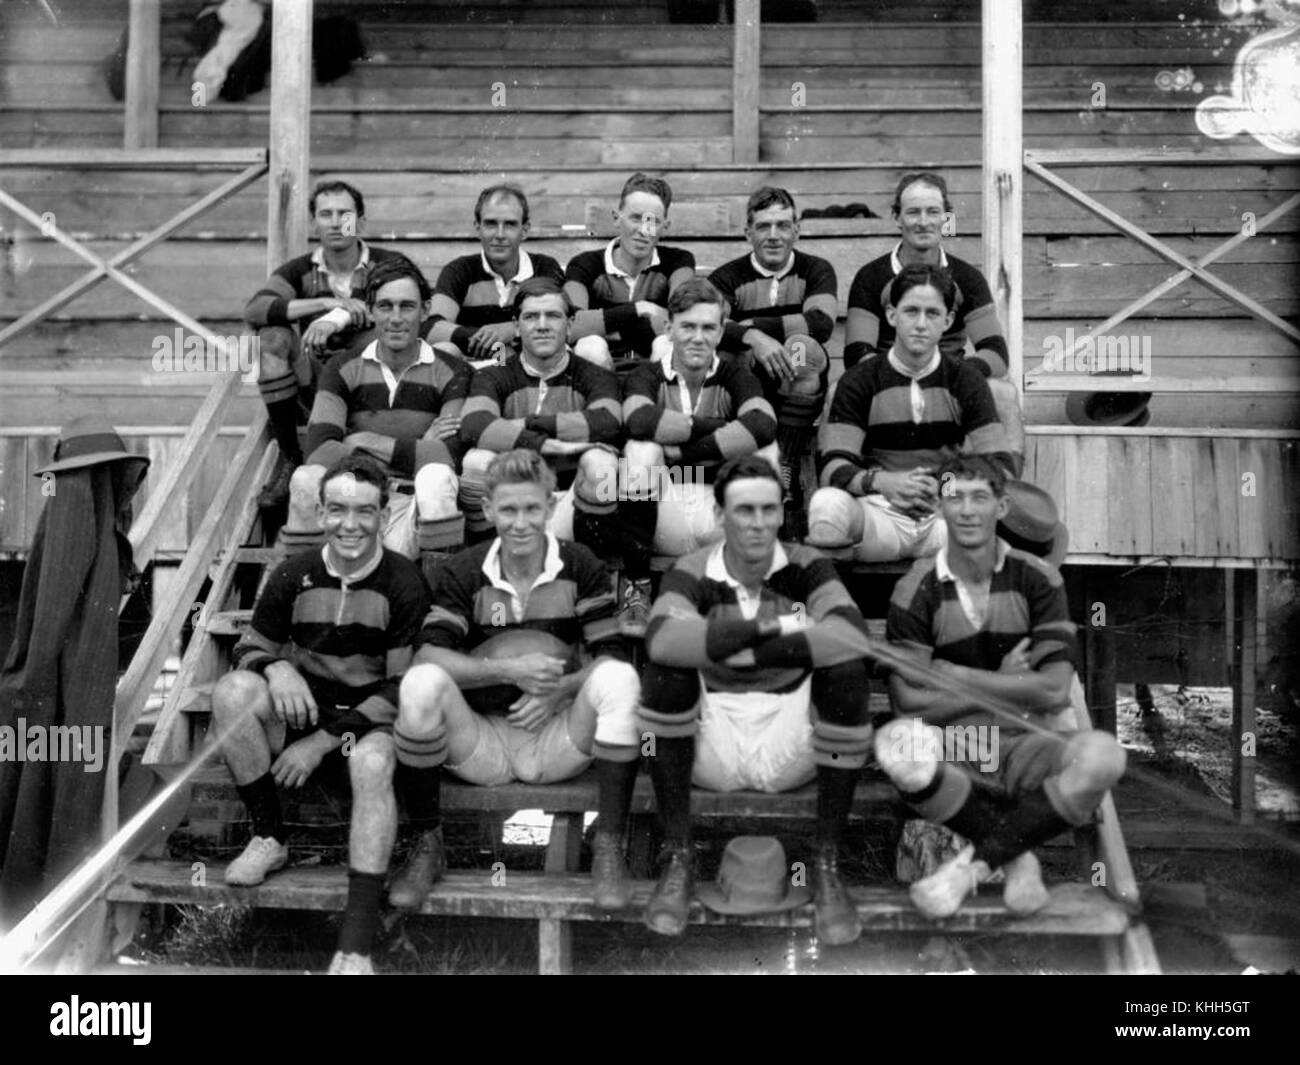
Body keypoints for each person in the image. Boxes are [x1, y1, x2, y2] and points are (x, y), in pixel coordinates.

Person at [636, 454, 885, 945]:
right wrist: (770, 629)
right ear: (720, 514)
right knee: (665, 673)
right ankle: (679, 857)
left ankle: (827, 861)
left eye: (769, 510)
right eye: (744, 510)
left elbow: (852, 636)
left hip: (788, 737)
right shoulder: (692, 568)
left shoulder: (807, 565)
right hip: (712, 742)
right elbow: (663, 641)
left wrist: (731, 643)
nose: (758, 523)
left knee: (847, 673)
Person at [875, 453, 1126, 918]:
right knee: (898, 743)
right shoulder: (917, 586)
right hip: (956, 745)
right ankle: (1017, 855)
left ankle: (981, 863)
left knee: (1105, 755)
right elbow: (906, 701)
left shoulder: (1039, 580)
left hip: (1027, 741)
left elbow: (1053, 691)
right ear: (940, 508)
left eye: (980, 497)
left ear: (1001, 507)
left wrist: (958, 677)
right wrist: (1010, 682)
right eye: (955, 497)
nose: (967, 510)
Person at [211, 454, 431, 975]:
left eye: (364, 512)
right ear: (320, 511)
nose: (349, 524)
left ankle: (355, 946)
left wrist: (323, 742)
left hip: (368, 724)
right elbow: (248, 647)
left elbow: (402, 688)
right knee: (232, 692)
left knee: (373, 763)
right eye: (336, 510)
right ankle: (269, 837)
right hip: (303, 712)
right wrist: (278, 672)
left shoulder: (404, 583)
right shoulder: (293, 573)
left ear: (383, 515)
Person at [395, 449, 642, 911]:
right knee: (420, 683)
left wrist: (562, 691)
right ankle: (427, 843)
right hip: (483, 738)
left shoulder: (579, 563)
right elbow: (427, 654)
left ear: (551, 507)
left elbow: (611, 650)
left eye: (532, 509)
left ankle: (609, 846)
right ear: (487, 510)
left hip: (556, 735)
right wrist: (508, 670)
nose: (521, 523)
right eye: (508, 510)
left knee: (621, 678)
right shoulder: (465, 569)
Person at [806, 263, 1015, 562]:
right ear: (892, 315)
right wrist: (883, 483)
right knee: (826, 505)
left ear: (948, 320)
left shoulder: (964, 379)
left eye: (932, 314)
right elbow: (832, 467)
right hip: (880, 513)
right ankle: (839, 605)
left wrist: (943, 486)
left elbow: (1000, 465)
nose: (920, 324)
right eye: (911, 311)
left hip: (946, 515)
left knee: (993, 511)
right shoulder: (860, 380)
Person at [280, 256, 470, 560]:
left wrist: (363, 441)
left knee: (435, 476)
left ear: (425, 310)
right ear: (370, 310)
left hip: (412, 502)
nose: (395, 318)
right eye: (385, 306)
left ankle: (439, 596)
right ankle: (304, 587)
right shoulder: (341, 367)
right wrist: (417, 448)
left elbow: (449, 455)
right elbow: (318, 451)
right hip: (354, 495)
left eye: (407, 306)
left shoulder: (452, 370)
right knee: (305, 478)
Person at [620, 278, 778, 628]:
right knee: (641, 450)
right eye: (687, 326)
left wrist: (679, 452)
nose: (697, 337)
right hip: (663, 517)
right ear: (669, 328)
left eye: (708, 327)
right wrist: (717, 433)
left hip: (718, 515)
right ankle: (636, 588)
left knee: (766, 451)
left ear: (722, 333)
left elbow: (762, 425)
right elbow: (638, 420)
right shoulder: (645, 375)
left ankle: (756, 585)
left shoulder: (736, 375)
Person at [244, 180, 406, 508]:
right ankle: (291, 457)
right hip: (315, 386)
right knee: (272, 337)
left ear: (360, 221)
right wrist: (325, 304)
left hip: (373, 383)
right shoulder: (300, 271)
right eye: (325, 214)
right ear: (314, 222)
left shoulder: (387, 263)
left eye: (344, 214)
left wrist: (342, 317)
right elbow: (256, 309)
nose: (335, 222)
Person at [457, 278, 624, 565]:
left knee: (602, 466)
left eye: (553, 316)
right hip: (512, 507)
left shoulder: (596, 375)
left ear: (570, 325)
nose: (542, 325)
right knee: (475, 461)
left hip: (573, 502)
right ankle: (487, 566)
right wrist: (553, 446)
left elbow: (606, 422)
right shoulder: (492, 375)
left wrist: (525, 425)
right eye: (531, 316)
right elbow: (474, 425)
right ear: (517, 326)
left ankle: (595, 570)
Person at [705, 187, 835, 531]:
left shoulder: (816, 269)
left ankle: (787, 464)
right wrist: (752, 338)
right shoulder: (727, 276)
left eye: (782, 225)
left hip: (796, 374)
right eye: (764, 226)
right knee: (724, 353)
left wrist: (752, 326)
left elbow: (820, 322)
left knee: (801, 348)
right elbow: (711, 325)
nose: (774, 236)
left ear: (797, 229)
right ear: (748, 233)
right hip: (748, 376)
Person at [844, 171, 1008, 378]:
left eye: (932, 212)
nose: (923, 222)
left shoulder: (968, 278)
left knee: (1005, 395)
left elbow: (997, 352)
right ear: (897, 218)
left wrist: (957, 375)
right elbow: (857, 351)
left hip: (952, 380)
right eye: (913, 212)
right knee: (835, 392)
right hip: (886, 379)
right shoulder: (870, 277)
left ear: (946, 218)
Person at [563, 172, 695, 372]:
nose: (643, 230)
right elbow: (570, 327)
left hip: (652, 371)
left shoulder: (678, 262)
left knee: (666, 345)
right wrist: (638, 310)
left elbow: (682, 322)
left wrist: (607, 324)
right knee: (589, 345)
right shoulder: (585, 264)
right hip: (601, 370)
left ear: (664, 226)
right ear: (617, 218)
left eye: (652, 222)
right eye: (636, 218)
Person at [426, 183, 565, 366]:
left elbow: (563, 323)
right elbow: (432, 327)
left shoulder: (543, 268)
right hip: (473, 366)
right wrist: (493, 342)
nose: (500, 234)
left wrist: (510, 329)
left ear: (524, 230)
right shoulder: (460, 270)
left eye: (510, 224)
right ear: (478, 228)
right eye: (491, 224)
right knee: (443, 349)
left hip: (528, 369)